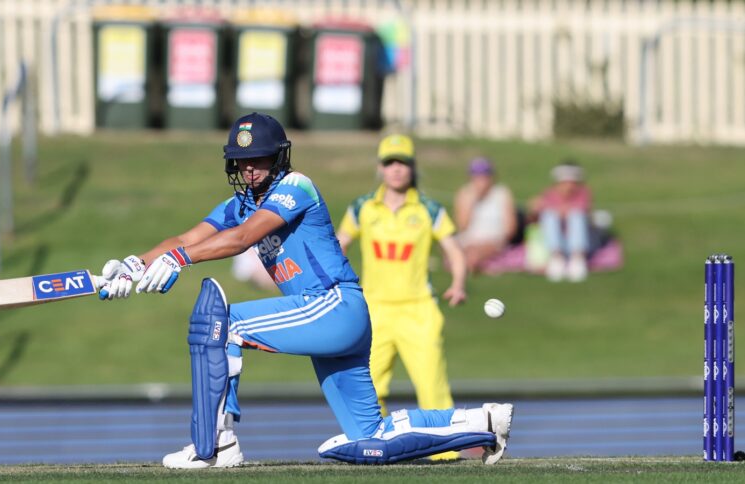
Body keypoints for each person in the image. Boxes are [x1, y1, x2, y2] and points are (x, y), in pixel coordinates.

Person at [97, 113, 512, 468]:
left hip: (332, 305)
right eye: (241, 162)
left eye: (258, 159)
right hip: (335, 317)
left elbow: (241, 238)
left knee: (224, 323)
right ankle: (482, 423)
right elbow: (188, 235)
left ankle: (216, 444)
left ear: (278, 157)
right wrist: (135, 265)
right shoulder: (240, 203)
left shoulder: (297, 186)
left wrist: (182, 260)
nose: (249, 169)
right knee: (373, 437)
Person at [336, 135, 467, 453]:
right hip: (375, 311)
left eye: (403, 163)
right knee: (371, 389)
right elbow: (339, 245)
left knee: (432, 390)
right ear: (380, 168)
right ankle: (372, 449)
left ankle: (446, 456)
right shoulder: (363, 207)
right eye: (390, 162)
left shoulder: (428, 209)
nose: (396, 170)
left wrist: (458, 282)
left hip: (418, 311)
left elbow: (454, 250)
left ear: (413, 168)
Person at [527, 160, 592, 282]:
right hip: (559, 240)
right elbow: (537, 209)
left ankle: (577, 258)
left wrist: (561, 210)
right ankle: (556, 257)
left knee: (576, 216)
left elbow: (583, 210)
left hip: (579, 240)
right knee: (549, 216)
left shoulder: (583, 192)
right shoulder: (549, 193)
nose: (568, 186)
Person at [452, 157, 518, 273]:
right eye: (477, 176)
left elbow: (510, 229)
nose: (481, 180)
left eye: (484, 176)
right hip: (468, 240)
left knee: (474, 255)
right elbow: (462, 226)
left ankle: (470, 264)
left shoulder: (502, 193)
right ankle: (470, 263)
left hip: (493, 240)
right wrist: (471, 202)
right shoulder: (465, 193)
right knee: (460, 249)